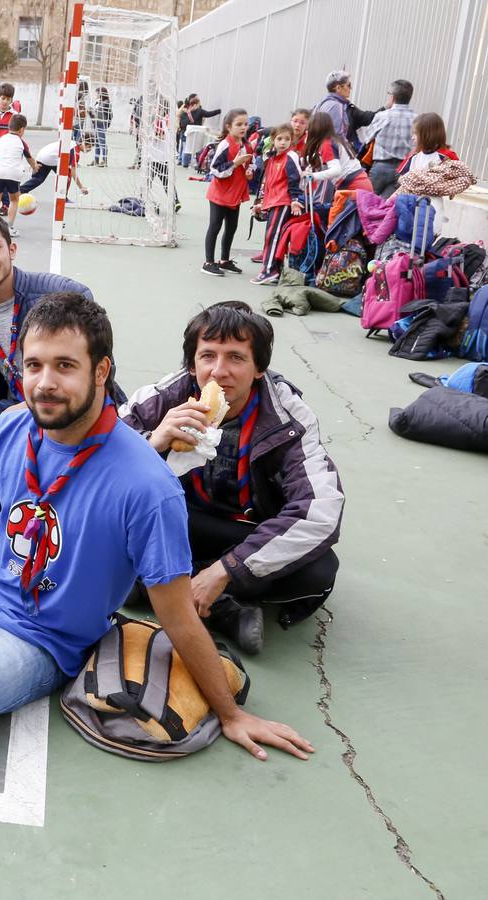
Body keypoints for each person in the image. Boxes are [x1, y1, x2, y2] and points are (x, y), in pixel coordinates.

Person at [0, 292, 313, 821]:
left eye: (64, 366)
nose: (44, 382)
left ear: (101, 372)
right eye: (33, 365)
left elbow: (176, 613)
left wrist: (230, 714)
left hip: (38, 639)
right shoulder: (7, 429)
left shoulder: (146, 485)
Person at [120, 302, 344, 653]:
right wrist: (154, 442)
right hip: (179, 519)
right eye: (207, 356)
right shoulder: (161, 399)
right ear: (192, 363)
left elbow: (319, 510)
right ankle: (224, 608)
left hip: (246, 531)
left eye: (236, 358)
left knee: (318, 572)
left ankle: (162, 585)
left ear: (259, 368)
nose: (218, 372)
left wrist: (226, 570)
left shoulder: (287, 416)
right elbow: (99, 471)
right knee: (112, 523)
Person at [0, 213, 93, 443]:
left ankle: (11, 453)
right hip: (18, 409)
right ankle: (18, 452)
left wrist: (25, 408)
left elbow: (95, 376)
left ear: (12, 250)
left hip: (65, 402)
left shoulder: (64, 296)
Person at [247, 124, 304, 285]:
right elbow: (269, 183)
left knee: (273, 236)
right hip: (274, 201)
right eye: (279, 139)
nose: (283, 142)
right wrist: (262, 203)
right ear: (272, 140)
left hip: (283, 202)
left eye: (287, 139)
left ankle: (269, 270)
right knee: (273, 236)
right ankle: (275, 271)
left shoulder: (290, 157)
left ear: (292, 141)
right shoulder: (272, 158)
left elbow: (295, 180)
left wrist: (294, 200)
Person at [201, 109, 254, 277]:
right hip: (220, 194)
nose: (243, 127)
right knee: (215, 226)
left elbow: (250, 165)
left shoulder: (247, 146)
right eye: (239, 124)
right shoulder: (225, 145)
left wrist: (249, 172)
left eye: (246, 124)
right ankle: (208, 262)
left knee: (231, 227)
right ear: (229, 127)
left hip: (235, 194)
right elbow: (215, 169)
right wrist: (234, 164)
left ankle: (224, 260)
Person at [0, 115, 40, 235]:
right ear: (21, 130)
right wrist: (35, 167)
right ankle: (9, 228)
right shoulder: (21, 142)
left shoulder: (0, 139)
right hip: (13, 174)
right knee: (14, 200)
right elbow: (29, 158)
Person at [301, 110, 373, 202]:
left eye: (309, 128)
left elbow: (336, 170)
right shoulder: (334, 140)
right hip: (359, 185)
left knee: (335, 215)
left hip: (353, 186)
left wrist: (312, 176)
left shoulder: (326, 144)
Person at [366, 79, 415, 197]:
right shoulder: (416, 119)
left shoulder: (382, 116)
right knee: (389, 207)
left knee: (368, 203)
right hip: (403, 170)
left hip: (380, 167)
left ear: (392, 97)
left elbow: (367, 138)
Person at [312, 70, 353, 143]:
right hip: (330, 151)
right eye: (348, 85)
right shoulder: (336, 106)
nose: (351, 88)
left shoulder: (321, 104)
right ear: (338, 88)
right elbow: (337, 137)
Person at [91, 86, 112, 166]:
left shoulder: (106, 103)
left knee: (102, 143)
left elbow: (108, 115)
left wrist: (107, 124)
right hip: (96, 124)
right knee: (97, 143)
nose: (96, 94)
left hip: (101, 124)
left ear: (101, 93)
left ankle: (104, 161)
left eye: (97, 93)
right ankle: (96, 160)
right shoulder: (99, 101)